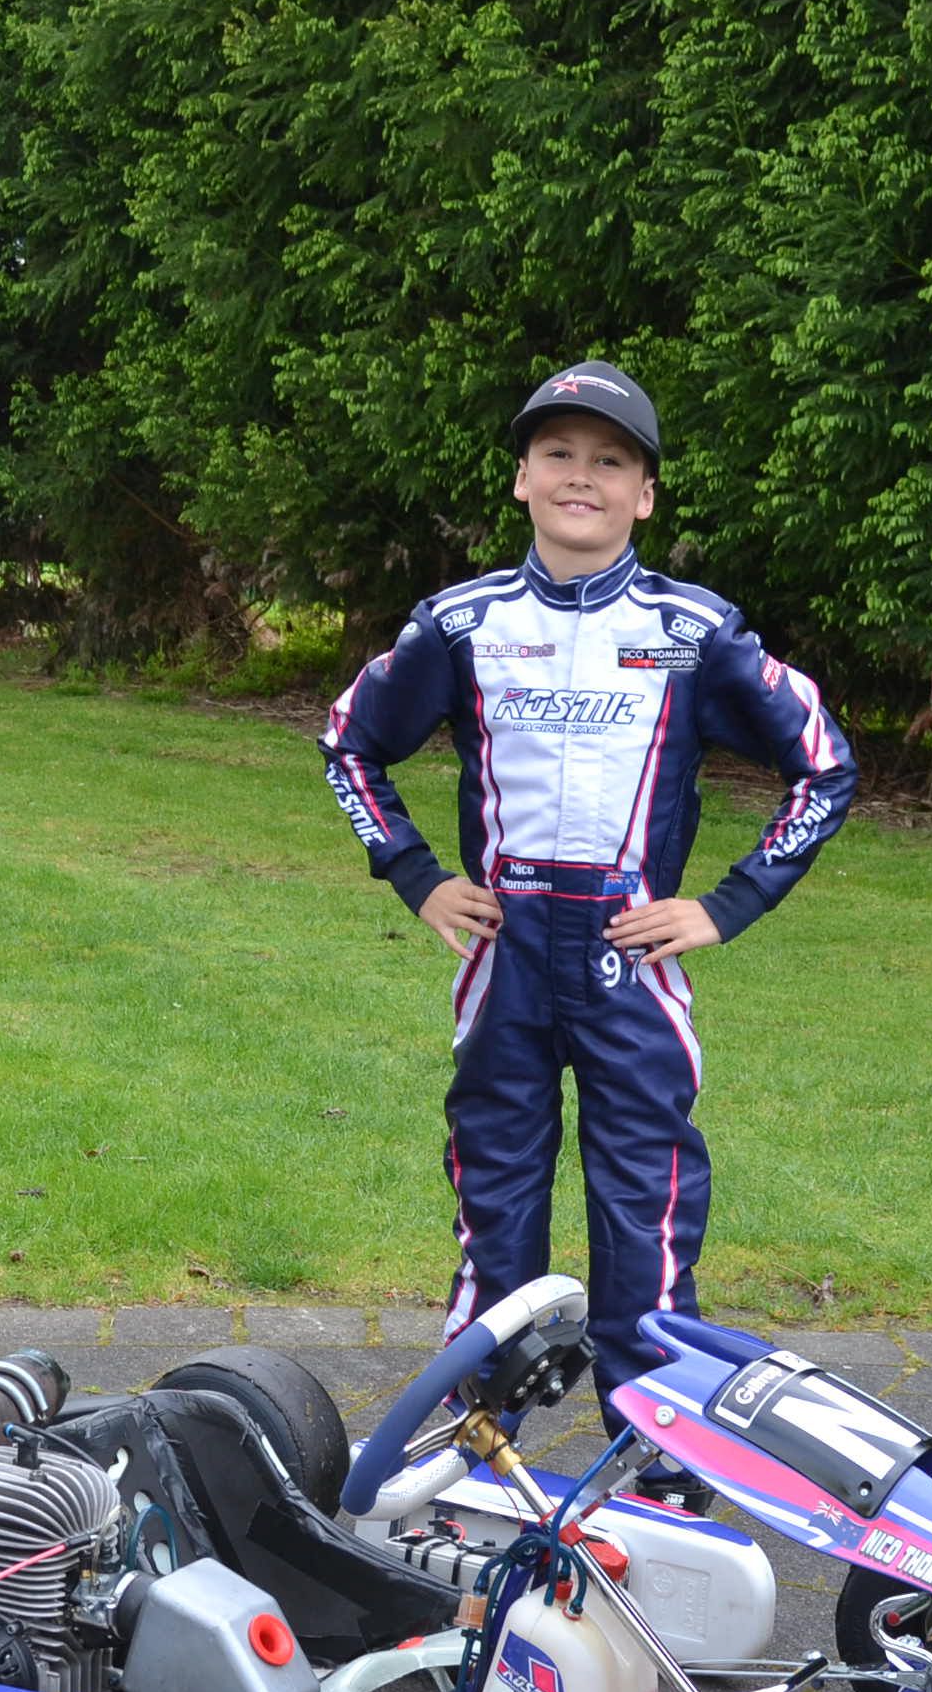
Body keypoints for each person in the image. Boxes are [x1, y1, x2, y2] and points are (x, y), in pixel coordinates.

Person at [321, 360, 856, 1466]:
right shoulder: (460, 623)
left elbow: (824, 767)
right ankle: (481, 1448)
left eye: (610, 461)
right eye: (558, 454)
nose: (582, 477)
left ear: (646, 495)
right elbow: (349, 743)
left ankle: (656, 1465)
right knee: (496, 1205)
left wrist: (724, 906)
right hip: (505, 950)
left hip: (632, 957)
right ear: (520, 477)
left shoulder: (696, 631)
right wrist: (418, 877)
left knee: (645, 1222)